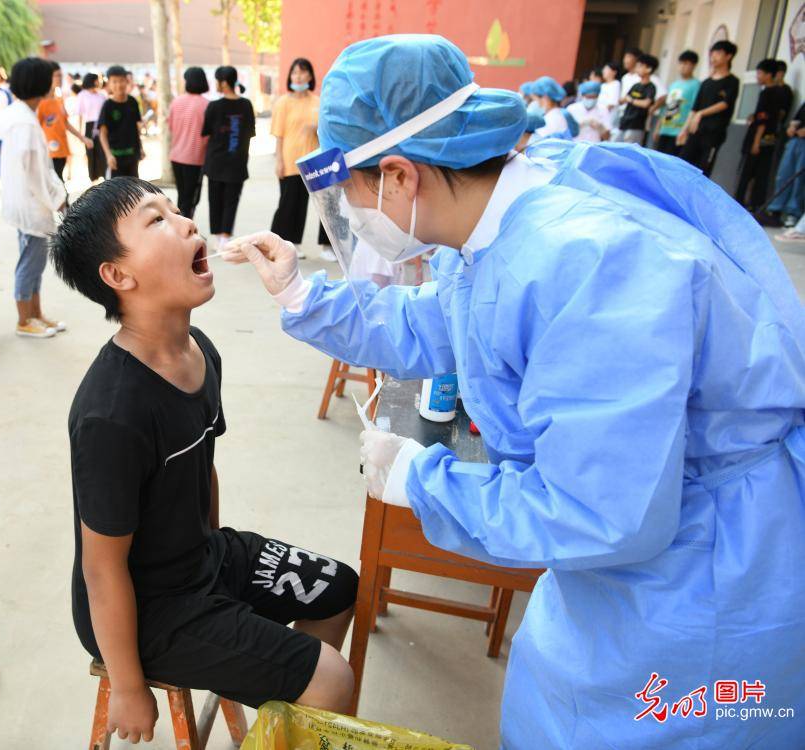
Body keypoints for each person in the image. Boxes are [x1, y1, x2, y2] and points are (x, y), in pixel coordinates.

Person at [227, 34, 805, 750]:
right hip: (639, 560)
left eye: (353, 190)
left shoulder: (586, 263)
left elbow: (598, 512)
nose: (355, 213)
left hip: (706, 579)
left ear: (401, 177)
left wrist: (421, 483)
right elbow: (443, 322)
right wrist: (302, 295)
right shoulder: (507, 219)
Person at [51, 176, 360, 743]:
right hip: (145, 610)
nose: (187, 222)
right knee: (333, 679)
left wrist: (219, 568)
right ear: (119, 276)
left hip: (201, 559)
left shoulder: (200, 351)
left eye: (176, 209)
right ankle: (300, 703)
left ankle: (286, 719)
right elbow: (101, 568)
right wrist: (126, 684)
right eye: (157, 220)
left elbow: (203, 467)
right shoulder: (111, 414)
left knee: (338, 588)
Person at [0, 56, 68, 339]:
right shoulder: (24, 123)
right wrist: (57, 198)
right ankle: (24, 319)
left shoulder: (21, 116)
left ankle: (36, 314)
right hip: (31, 206)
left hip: (30, 204)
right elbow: (35, 174)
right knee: (30, 263)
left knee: (36, 263)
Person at [270, 58, 335, 262]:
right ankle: (288, 244)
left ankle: (328, 246)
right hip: (291, 162)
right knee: (291, 205)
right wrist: (278, 161)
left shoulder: (318, 101)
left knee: (327, 205)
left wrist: (315, 128)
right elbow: (278, 135)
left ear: (310, 76)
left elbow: (327, 129)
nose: (298, 76)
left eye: (302, 72)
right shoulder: (283, 102)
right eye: (294, 73)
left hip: (316, 162)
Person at [202, 66, 255, 249]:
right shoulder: (246, 105)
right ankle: (225, 236)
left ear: (223, 83)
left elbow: (206, 132)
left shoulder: (214, 106)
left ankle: (219, 236)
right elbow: (250, 133)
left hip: (216, 161)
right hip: (237, 162)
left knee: (215, 199)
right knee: (231, 200)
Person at [678, 40, 739, 176]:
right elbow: (694, 108)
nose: (713, 57)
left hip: (713, 133)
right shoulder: (706, 83)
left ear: (728, 56)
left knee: (703, 170)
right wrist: (684, 130)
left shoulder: (732, 81)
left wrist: (701, 114)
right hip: (695, 131)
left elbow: (724, 104)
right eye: (712, 53)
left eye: (718, 53)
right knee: (683, 164)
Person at [735, 58, 786, 212]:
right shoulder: (776, 92)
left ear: (769, 75)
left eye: (760, 73)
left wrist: (756, 141)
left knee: (749, 172)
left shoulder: (769, 93)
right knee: (761, 173)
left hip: (759, 140)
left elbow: (764, 119)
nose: (757, 76)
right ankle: (755, 204)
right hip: (768, 140)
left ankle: (740, 203)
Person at [36, 60, 90, 183]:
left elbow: (65, 122)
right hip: (49, 153)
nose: (60, 79)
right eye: (57, 75)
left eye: (61, 75)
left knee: (60, 181)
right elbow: (36, 128)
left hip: (62, 149)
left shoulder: (59, 99)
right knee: (57, 184)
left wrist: (82, 138)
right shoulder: (40, 102)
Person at [168, 66, 210, 220]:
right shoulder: (207, 105)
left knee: (182, 195)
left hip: (176, 156)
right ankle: (184, 229)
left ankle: (178, 226)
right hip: (195, 158)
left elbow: (171, 127)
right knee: (191, 199)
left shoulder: (176, 102)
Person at [98, 65, 143, 179]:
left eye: (121, 80)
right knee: (116, 193)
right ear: (109, 84)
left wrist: (141, 147)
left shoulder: (132, 102)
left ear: (126, 81)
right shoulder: (107, 105)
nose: (119, 85)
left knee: (133, 190)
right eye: (115, 81)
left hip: (132, 155)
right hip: (115, 158)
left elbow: (136, 127)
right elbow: (102, 133)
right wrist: (108, 155)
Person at [654, 50, 700, 155]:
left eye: (687, 64)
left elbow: (694, 109)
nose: (683, 66)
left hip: (678, 132)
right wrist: (658, 127)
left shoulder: (696, 85)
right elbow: (665, 108)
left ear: (694, 66)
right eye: (681, 63)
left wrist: (685, 130)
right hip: (665, 129)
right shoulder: (673, 85)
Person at [767, 100, 805, 227]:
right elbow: (797, 117)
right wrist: (792, 127)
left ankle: (793, 213)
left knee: (799, 180)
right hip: (795, 140)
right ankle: (775, 210)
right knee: (783, 175)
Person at [615, 53, 658, 145]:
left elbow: (646, 103)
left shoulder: (651, 87)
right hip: (625, 122)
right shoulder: (635, 85)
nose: (637, 68)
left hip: (636, 125)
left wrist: (631, 100)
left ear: (649, 69)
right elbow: (624, 99)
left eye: (641, 66)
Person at [77, 72, 107, 182]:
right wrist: (80, 133)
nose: (99, 82)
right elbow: (79, 114)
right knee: (91, 152)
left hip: (101, 125)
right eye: (97, 80)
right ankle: (93, 178)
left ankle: (104, 175)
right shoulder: (82, 95)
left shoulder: (102, 95)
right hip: (89, 125)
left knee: (102, 151)